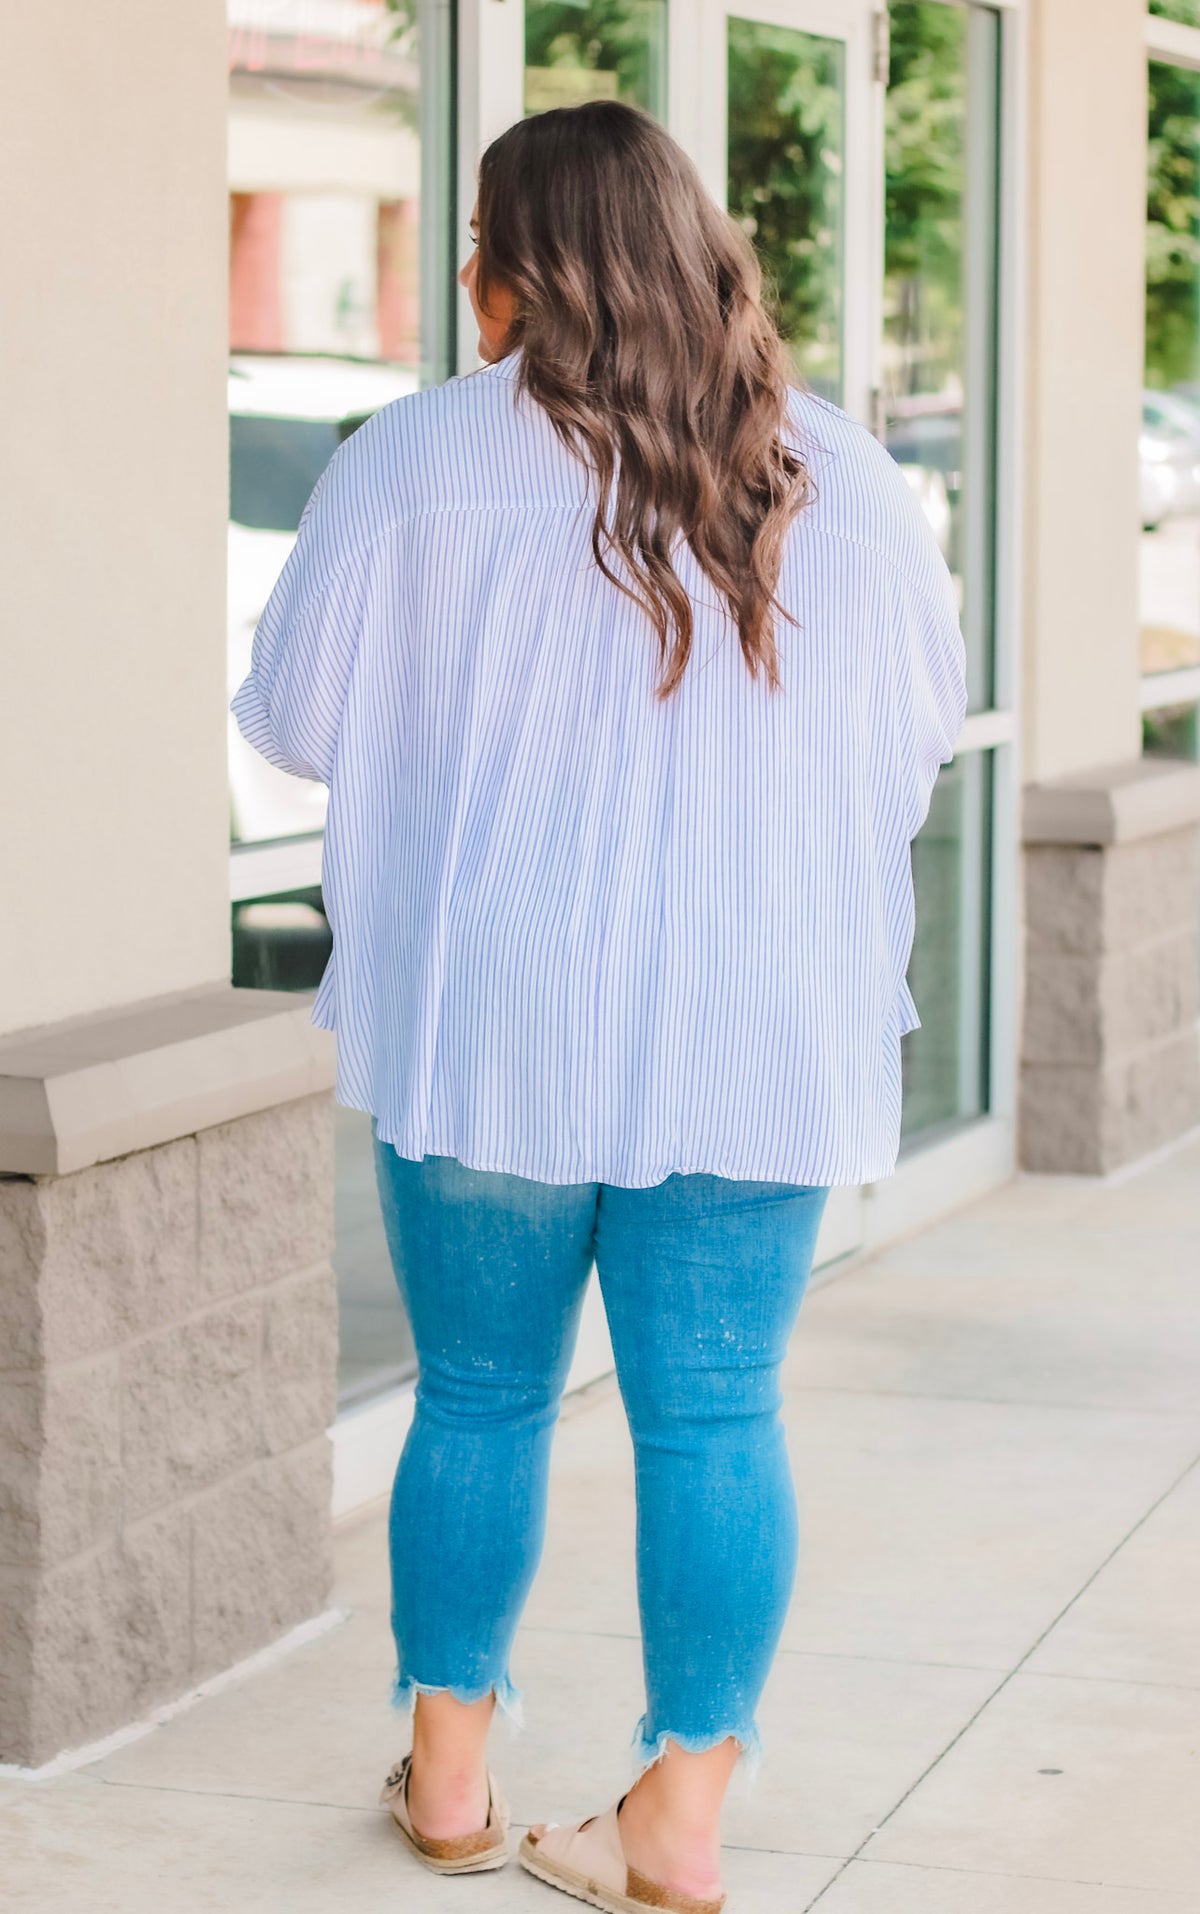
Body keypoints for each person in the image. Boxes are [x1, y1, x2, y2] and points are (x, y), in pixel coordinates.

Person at [233, 99, 966, 1914]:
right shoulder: (845, 481)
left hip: (495, 1016)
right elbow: (916, 740)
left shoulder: (407, 464)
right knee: (716, 1412)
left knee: (478, 1393)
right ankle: (681, 1820)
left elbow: (297, 722)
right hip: (754, 1019)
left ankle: (458, 1786)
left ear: (503, 271)